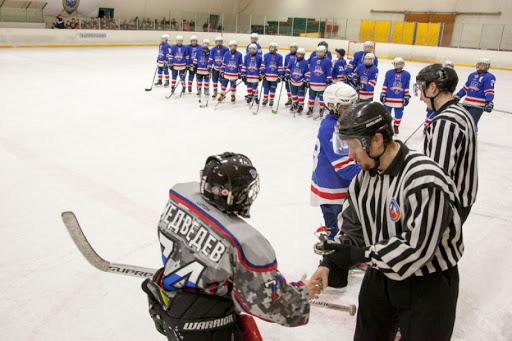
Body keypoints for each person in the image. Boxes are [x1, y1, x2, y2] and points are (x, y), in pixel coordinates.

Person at [311, 102, 464, 340]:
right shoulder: (364, 178)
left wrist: (357, 255)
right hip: (380, 274)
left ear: (377, 140)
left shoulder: (424, 180)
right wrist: (331, 261)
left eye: (353, 147)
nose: (350, 156)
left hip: (427, 284)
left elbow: (417, 249)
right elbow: (353, 226)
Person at [141, 152, 318, 340]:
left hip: (168, 307)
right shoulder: (245, 243)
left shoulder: (179, 196)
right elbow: (272, 306)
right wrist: (301, 292)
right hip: (206, 328)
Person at [311, 83, 360, 289]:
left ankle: (342, 258)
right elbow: (344, 167)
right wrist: (371, 169)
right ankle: (331, 269)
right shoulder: (332, 128)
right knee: (337, 229)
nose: (351, 110)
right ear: (333, 105)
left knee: (344, 225)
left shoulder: (339, 123)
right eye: (346, 107)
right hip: (332, 189)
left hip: (335, 186)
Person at [416, 64, 478, 223]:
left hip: (448, 204)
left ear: (433, 88)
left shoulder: (444, 122)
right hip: (461, 199)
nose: (420, 97)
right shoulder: (460, 110)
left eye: (420, 88)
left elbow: (437, 175)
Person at [455, 57, 496, 127]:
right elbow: (465, 88)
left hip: (478, 105)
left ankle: (473, 137)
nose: (482, 66)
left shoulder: (489, 77)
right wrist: (458, 95)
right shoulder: (472, 75)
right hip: (466, 103)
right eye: (481, 64)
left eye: (484, 65)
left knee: (471, 124)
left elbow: (489, 91)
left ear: (488, 67)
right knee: (461, 123)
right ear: (477, 65)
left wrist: (489, 102)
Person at [380, 57, 411, 134]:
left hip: (399, 99)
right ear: (394, 64)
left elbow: (407, 86)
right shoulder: (389, 73)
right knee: (387, 113)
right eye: (397, 64)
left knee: (399, 114)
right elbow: (385, 84)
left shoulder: (407, 74)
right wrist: (383, 93)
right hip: (388, 98)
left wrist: (406, 96)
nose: (398, 65)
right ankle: (388, 126)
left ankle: (396, 126)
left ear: (403, 64)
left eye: (400, 64)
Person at [305, 45, 333, 118]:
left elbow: (328, 71)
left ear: (324, 53)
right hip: (313, 82)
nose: (319, 54)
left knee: (322, 98)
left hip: (322, 84)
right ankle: (310, 109)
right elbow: (310, 70)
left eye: (321, 52)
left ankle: (321, 109)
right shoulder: (313, 59)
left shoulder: (327, 61)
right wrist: (308, 79)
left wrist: (328, 80)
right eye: (318, 52)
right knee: (311, 97)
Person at [260, 42, 284, 107]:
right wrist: (262, 72)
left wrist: (280, 75)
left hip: (275, 77)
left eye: (272, 48)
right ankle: (265, 99)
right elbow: (263, 65)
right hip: (267, 76)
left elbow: (280, 66)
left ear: (276, 49)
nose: (271, 49)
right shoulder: (265, 55)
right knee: (266, 88)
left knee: (273, 89)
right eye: (270, 47)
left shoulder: (280, 57)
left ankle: (271, 99)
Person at [286, 47, 308, 114]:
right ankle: (295, 104)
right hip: (293, 80)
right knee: (294, 93)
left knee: (301, 94)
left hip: (301, 81)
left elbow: (307, 72)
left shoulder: (306, 62)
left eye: (301, 54)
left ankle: (301, 105)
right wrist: (287, 74)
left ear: (303, 55)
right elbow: (288, 68)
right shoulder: (292, 60)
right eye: (299, 54)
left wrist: (306, 79)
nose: (300, 56)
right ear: (296, 54)